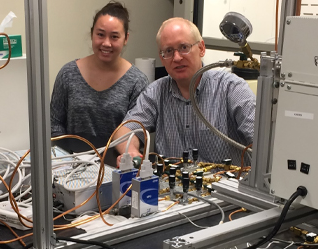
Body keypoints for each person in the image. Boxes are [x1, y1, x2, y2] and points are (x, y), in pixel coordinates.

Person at [113, 17, 256, 166]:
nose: (177, 57)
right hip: (169, 188)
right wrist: (131, 153)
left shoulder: (231, 88)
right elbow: (125, 131)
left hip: (222, 186)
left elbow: (261, 141)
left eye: (184, 47)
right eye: (168, 51)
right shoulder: (155, 93)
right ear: (162, 58)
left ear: (201, 48)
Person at [50, 1, 149, 154]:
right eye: (100, 34)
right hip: (70, 165)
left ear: (126, 38)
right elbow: (54, 124)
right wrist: (63, 159)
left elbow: (137, 132)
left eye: (114, 37)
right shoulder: (68, 74)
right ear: (92, 34)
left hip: (117, 167)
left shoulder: (137, 82)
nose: (106, 43)